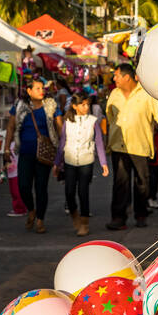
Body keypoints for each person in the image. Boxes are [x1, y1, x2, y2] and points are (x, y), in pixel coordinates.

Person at [104, 63, 158, 231]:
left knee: (142, 182)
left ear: (127, 77)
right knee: (120, 183)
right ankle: (118, 218)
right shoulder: (114, 94)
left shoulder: (146, 93)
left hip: (140, 146)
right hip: (119, 146)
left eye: (117, 75)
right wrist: (106, 141)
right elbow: (109, 118)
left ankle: (141, 215)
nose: (114, 78)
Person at [5, 76, 61, 234]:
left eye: (42, 88)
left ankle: (40, 220)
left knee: (41, 187)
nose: (41, 91)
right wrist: (6, 149)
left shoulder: (50, 105)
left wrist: (62, 150)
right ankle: (31, 209)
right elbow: (10, 127)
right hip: (25, 153)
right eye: (37, 88)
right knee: (23, 186)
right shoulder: (20, 106)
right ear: (29, 91)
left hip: (45, 154)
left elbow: (59, 127)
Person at [58, 92, 108, 236]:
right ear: (75, 106)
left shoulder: (92, 121)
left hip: (87, 161)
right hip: (69, 161)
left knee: (83, 191)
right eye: (83, 104)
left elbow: (98, 142)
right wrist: (57, 163)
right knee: (69, 192)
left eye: (87, 104)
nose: (86, 107)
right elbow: (62, 143)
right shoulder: (67, 123)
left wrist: (103, 163)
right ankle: (75, 216)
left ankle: (84, 223)